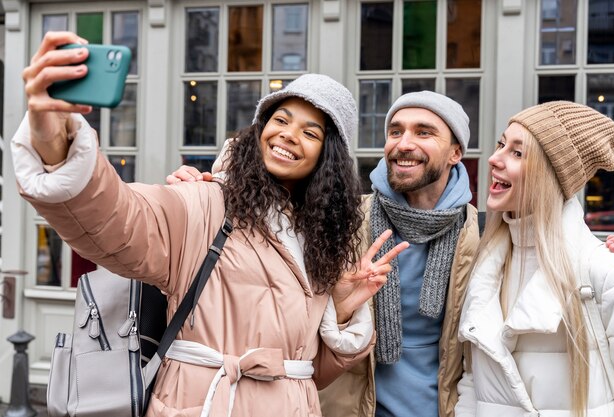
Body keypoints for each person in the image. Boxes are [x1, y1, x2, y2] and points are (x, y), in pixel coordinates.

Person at [13, 31, 409, 417]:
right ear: (260, 127)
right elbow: (117, 219)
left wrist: (338, 311)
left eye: (310, 132)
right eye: (280, 119)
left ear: (329, 157)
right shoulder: (206, 202)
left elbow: (307, 374)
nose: (288, 136)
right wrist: (55, 140)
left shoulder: (319, 238)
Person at [169, 91, 480, 417]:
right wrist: (204, 193)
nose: (403, 143)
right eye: (395, 131)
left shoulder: (476, 234)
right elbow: (263, 234)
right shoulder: (341, 218)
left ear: (455, 152)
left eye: (423, 132)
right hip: (345, 407)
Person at [455, 101, 614, 417]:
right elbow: (471, 384)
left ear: (552, 174)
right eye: (501, 145)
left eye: (517, 153)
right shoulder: (486, 266)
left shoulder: (604, 273)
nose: (494, 159)